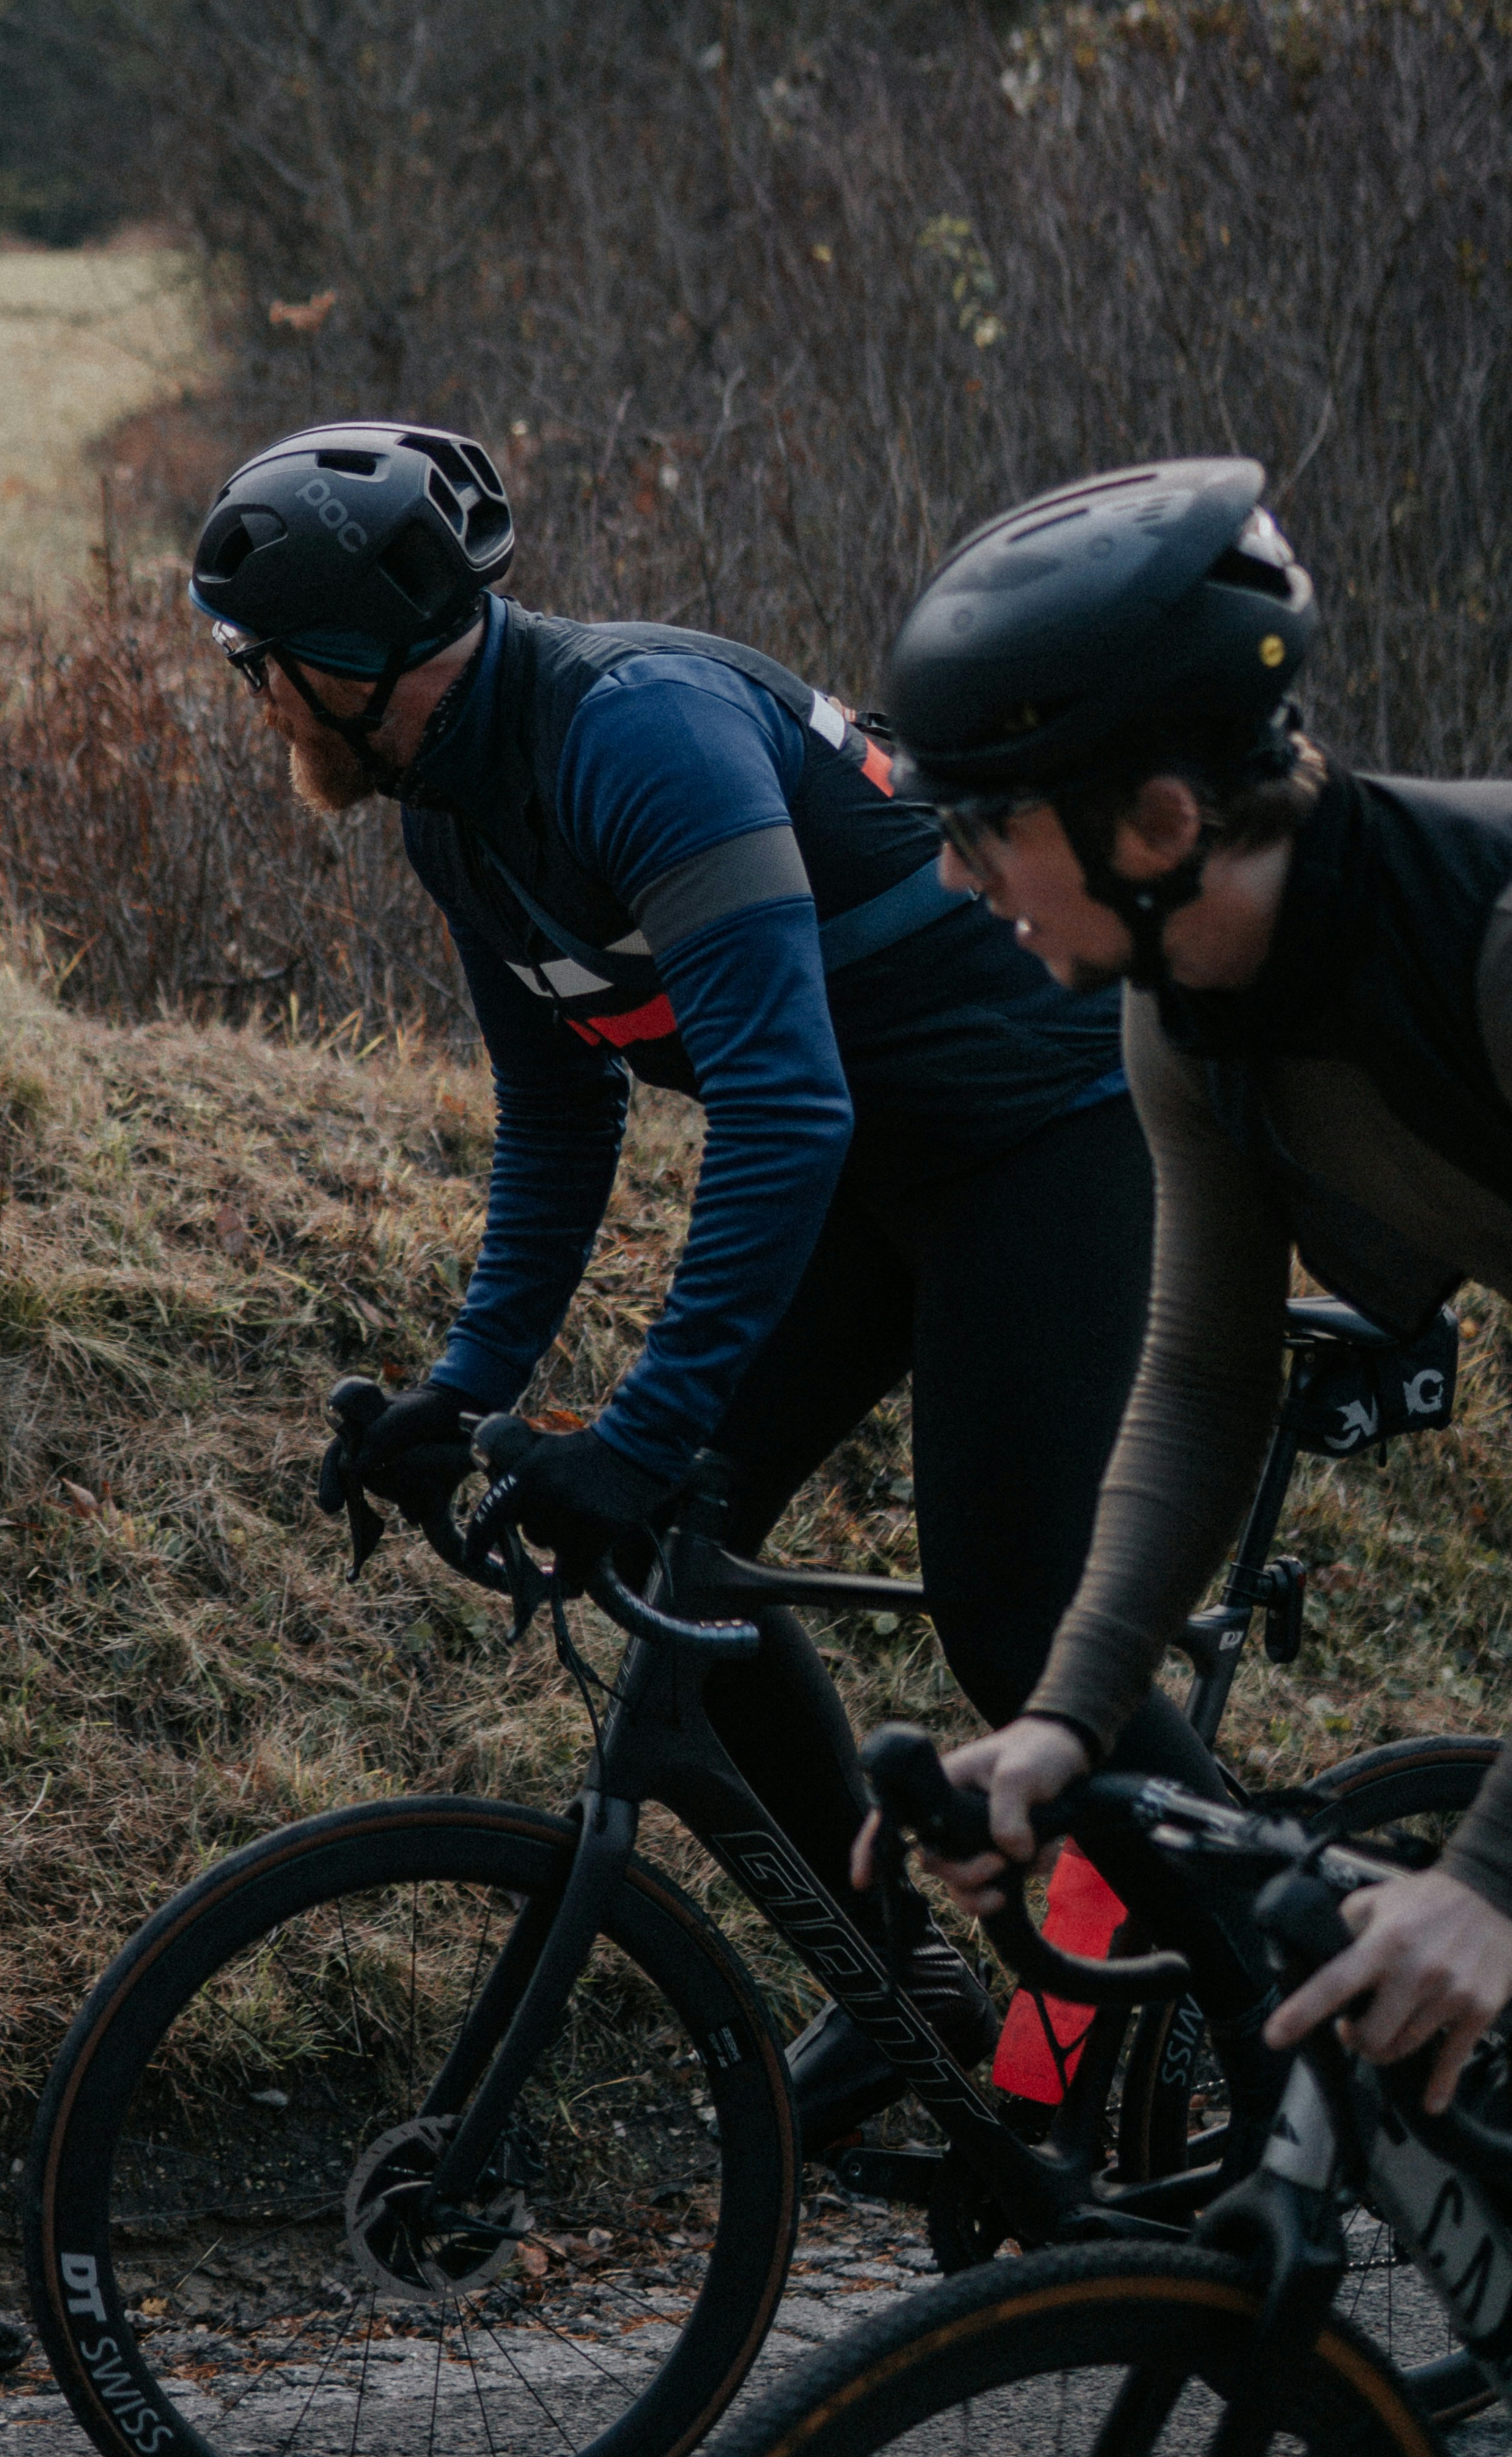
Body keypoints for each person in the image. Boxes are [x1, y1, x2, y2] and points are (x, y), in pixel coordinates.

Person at [190, 417, 1238, 2143]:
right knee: (666, 1536)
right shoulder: (458, 813)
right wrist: (464, 1391)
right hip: (880, 1163)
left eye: (260, 669)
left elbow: (783, 1102)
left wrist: (648, 1417)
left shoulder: (638, 737)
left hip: (1048, 1135)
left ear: (351, 660)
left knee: (1008, 1614)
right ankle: (900, 1976)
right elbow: (556, 1110)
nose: (257, 707)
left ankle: (1273, 1994)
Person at [868, 450, 1512, 2116]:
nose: (953, 874)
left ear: (1157, 820)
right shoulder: (1182, 1012)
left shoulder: (1486, 951)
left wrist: (1492, 1873)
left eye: (982, 823)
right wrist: (1067, 1719)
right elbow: (1202, 1379)